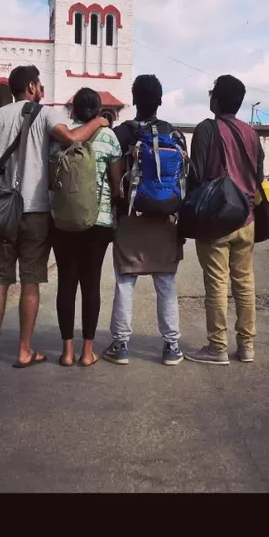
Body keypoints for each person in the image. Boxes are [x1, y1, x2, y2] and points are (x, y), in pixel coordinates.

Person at [0, 65, 108, 368]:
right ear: (31, 87)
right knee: (30, 281)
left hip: (1, 212)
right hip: (35, 211)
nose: (41, 88)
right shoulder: (44, 114)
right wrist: (99, 121)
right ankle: (25, 350)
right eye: (39, 84)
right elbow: (71, 138)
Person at [103, 74, 187, 367]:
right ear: (160, 100)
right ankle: (171, 347)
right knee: (166, 284)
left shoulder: (122, 133)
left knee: (126, 281)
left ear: (134, 99)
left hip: (130, 217)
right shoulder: (175, 135)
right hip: (166, 219)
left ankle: (121, 345)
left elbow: (109, 175)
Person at [184, 74, 264, 365]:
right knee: (244, 282)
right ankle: (247, 346)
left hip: (216, 219)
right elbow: (260, 176)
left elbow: (197, 174)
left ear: (216, 99)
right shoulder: (252, 134)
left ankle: (217, 347)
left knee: (216, 283)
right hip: (247, 219)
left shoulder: (207, 129)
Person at [49, 88, 123, 367]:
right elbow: (117, 183)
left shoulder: (60, 136)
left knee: (66, 283)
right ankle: (86, 352)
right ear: (99, 110)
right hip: (99, 221)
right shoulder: (109, 137)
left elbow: (49, 180)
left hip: (63, 220)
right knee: (90, 283)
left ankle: (66, 351)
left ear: (73, 110)